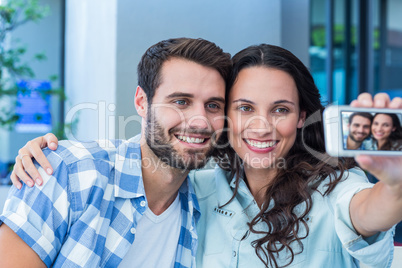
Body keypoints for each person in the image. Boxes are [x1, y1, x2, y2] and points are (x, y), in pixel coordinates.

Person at [7, 44, 402, 267]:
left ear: (301, 117)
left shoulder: (334, 185)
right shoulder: (195, 185)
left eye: (279, 109)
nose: (261, 127)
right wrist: (55, 156)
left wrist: (394, 181)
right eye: (244, 108)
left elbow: (368, 211)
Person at [0, 37, 232, 267]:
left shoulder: (201, 206)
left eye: (213, 105)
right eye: (181, 102)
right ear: (142, 102)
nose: (200, 123)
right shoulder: (69, 171)